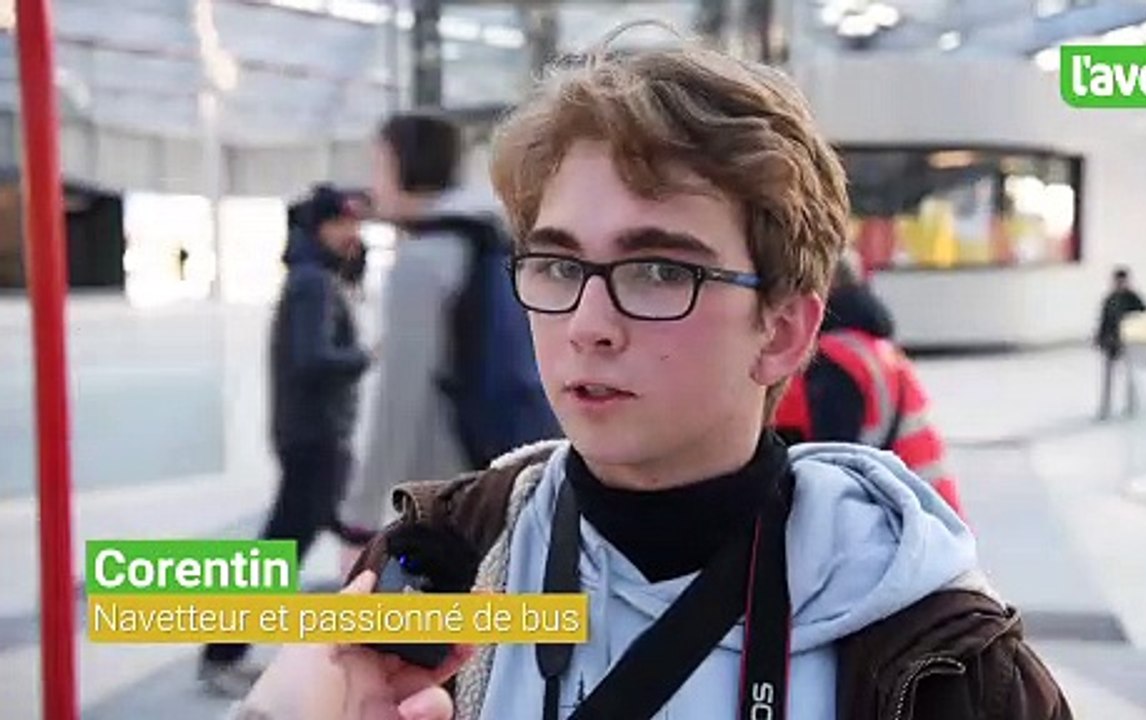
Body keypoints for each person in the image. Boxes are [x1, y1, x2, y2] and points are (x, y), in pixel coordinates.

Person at [235, 25, 1071, 720]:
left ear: (782, 331)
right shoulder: (433, 564)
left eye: (661, 272)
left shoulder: (944, 664)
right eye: (558, 265)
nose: (588, 324)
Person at [199, 184, 372, 697]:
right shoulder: (313, 283)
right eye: (343, 223)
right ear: (321, 227)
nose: (353, 233)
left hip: (315, 434)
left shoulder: (315, 277)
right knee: (281, 549)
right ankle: (221, 654)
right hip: (315, 436)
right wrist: (367, 356)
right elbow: (312, 359)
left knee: (324, 535)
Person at [336, 112, 491, 553]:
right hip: (498, 473)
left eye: (379, 166)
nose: (373, 185)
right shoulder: (486, 241)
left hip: (445, 487)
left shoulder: (421, 262)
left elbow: (398, 400)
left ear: (408, 167)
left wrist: (359, 520)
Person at [773, 249, 964, 516]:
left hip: (904, 517)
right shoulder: (870, 347)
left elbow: (831, 464)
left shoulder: (836, 359)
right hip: (927, 512)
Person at [1094, 265, 1146, 420]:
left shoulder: (1132, 298)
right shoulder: (1110, 299)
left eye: (1122, 281)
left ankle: (1131, 404)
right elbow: (1104, 321)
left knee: (1128, 375)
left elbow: (1144, 314)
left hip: (1127, 341)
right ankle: (1106, 407)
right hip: (1112, 341)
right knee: (1109, 377)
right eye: (1117, 281)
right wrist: (1100, 338)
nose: (1119, 284)